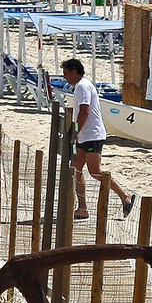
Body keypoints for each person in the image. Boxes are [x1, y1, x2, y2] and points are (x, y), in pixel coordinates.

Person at [62, 58, 136, 220]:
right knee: (76, 169)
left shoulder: (82, 86)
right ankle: (82, 208)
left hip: (92, 135)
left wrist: (74, 132)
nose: (64, 77)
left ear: (74, 71)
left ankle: (125, 197)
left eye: (66, 73)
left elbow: (85, 111)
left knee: (95, 172)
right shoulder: (81, 86)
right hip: (84, 135)